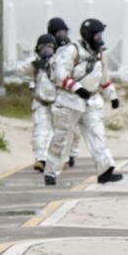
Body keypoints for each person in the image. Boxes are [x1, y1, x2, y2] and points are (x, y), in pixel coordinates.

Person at [44, 17, 123, 186]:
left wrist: (112, 96)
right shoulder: (71, 51)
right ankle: (51, 172)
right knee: (61, 138)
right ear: (88, 35)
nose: (100, 38)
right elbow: (60, 74)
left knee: (97, 134)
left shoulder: (100, 53)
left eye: (101, 34)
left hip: (92, 101)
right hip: (68, 101)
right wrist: (76, 88)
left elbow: (104, 78)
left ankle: (105, 170)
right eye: (97, 35)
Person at [16, 34, 58, 172]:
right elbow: (19, 70)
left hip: (58, 105)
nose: (46, 50)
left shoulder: (60, 63)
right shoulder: (35, 63)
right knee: (39, 133)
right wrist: (34, 64)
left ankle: (54, 160)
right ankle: (41, 159)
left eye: (50, 47)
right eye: (43, 47)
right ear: (38, 49)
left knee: (56, 134)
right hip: (41, 104)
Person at [47, 17, 80, 167]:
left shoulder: (72, 48)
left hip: (71, 91)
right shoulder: (49, 48)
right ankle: (59, 158)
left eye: (63, 31)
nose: (61, 34)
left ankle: (72, 154)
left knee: (75, 129)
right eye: (58, 32)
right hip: (54, 93)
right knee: (59, 128)